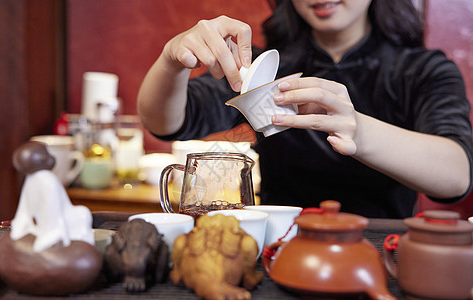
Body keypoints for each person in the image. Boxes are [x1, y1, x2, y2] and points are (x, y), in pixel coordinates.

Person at [137, 0, 473, 218]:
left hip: (379, 249)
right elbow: (167, 123)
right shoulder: (262, 67)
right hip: (277, 245)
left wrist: (356, 128)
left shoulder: (422, 69)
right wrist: (172, 61)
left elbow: (456, 176)